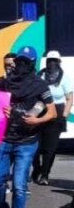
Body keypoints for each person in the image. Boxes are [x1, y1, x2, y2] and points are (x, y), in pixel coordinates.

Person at [0, 46, 56, 208]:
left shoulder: (40, 86)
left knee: (19, 185)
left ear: (32, 65)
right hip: (3, 139)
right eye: (19, 61)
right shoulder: (4, 83)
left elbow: (52, 112)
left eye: (25, 62)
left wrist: (37, 120)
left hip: (26, 142)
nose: (21, 65)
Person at [31, 50, 73, 185]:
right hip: (40, 110)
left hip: (57, 112)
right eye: (50, 61)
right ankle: (36, 168)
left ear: (59, 62)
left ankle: (45, 174)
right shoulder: (40, 75)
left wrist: (64, 115)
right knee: (35, 145)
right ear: (46, 62)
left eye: (55, 61)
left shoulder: (64, 78)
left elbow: (69, 98)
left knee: (50, 148)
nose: (52, 64)